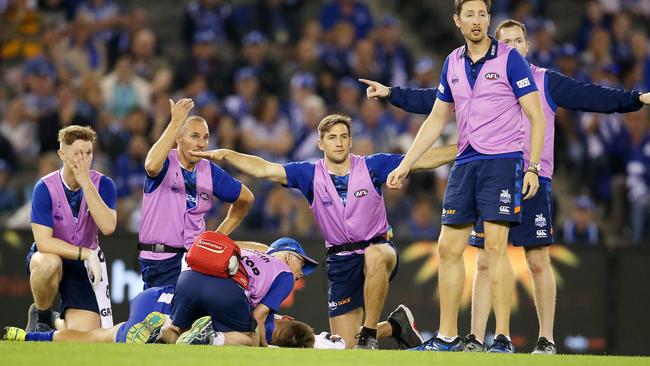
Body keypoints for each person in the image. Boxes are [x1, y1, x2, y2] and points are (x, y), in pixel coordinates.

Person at [361, 18, 650, 354]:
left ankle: (545, 339)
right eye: (506, 40)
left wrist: (636, 98)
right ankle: (474, 338)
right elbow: (437, 101)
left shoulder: (545, 82)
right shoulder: (482, 75)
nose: (513, 46)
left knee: (538, 260)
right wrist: (393, 94)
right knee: (484, 259)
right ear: (498, 46)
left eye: (518, 40)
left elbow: (592, 96)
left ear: (527, 46)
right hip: (491, 174)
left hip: (532, 178)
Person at [190, 114, 444, 349]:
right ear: (321, 143)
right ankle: (395, 325)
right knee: (345, 347)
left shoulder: (372, 166)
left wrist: (471, 149)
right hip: (339, 261)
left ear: (350, 141)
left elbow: (421, 160)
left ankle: (369, 333)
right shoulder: (309, 174)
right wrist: (226, 154)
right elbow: (264, 168)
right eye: (332, 137)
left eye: (344, 137)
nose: (339, 143)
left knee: (375, 256)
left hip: (378, 246)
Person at [384, 0, 548, 353]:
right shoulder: (452, 62)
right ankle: (446, 337)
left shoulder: (509, 58)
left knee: (494, 249)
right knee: (447, 248)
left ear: (489, 19)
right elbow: (437, 119)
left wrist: (532, 167)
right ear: (457, 21)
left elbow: (537, 115)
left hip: (502, 162)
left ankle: (501, 338)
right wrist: (406, 163)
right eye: (470, 14)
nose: (477, 21)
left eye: (483, 14)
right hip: (465, 161)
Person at [137, 98, 254, 289]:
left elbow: (246, 198)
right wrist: (175, 122)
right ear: (178, 138)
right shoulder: (165, 162)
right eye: (195, 136)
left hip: (196, 261)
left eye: (205, 137)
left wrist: (218, 236)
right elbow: (150, 166)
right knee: (162, 318)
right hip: (160, 261)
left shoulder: (210, 171)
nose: (201, 143)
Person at [26, 125, 117, 333]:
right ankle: (42, 315)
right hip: (55, 255)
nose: (83, 159)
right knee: (47, 263)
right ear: (62, 154)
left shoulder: (103, 184)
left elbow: (108, 227)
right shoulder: (45, 187)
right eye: (77, 153)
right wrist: (86, 254)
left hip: (82, 265)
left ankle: (55, 320)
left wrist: (86, 184)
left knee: (82, 333)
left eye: (88, 153)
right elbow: (43, 242)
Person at [157, 236, 318, 347]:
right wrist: (263, 345)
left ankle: (162, 332)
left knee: (179, 330)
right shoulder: (285, 274)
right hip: (226, 287)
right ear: (289, 257)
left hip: (189, 278)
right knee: (251, 338)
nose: (302, 272)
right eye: (302, 263)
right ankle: (210, 338)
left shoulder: (247, 252)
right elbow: (258, 316)